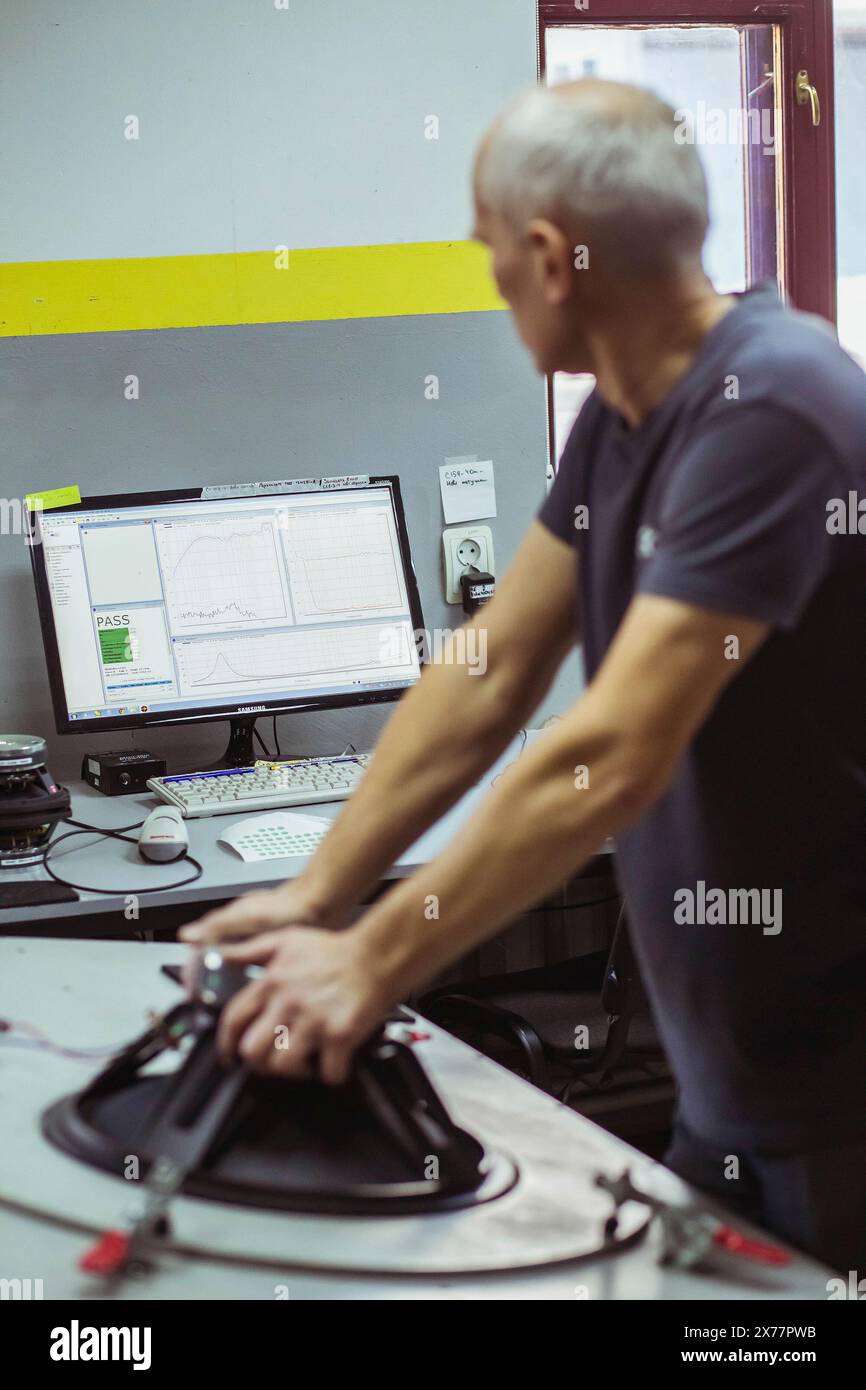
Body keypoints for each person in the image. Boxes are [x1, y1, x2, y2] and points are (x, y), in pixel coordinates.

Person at [182, 81, 866, 1270]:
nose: (486, 274)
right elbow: (488, 671)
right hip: (735, 1069)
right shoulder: (626, 412)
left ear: (549, 258)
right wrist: (316, 894)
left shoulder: (778, 406)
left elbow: (608, 749)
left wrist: (374, 958)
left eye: (486, 249)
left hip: (839, 1090)